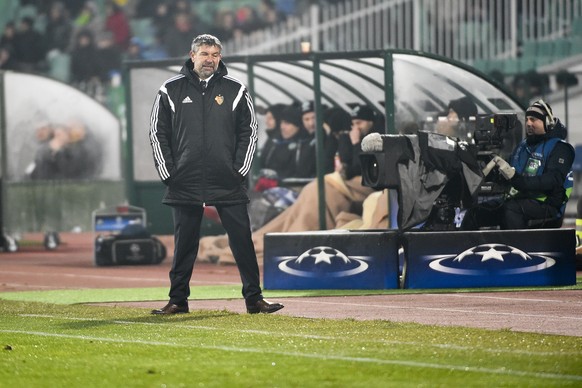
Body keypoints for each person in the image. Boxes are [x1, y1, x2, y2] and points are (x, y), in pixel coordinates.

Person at [148, 34, 283, 315]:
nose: (210, 59)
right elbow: (157, 133)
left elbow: (250, 131)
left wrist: (239, 169)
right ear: (192, 55)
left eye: (215, 54)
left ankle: (254, 300)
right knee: (184, 244)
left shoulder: (236, 89)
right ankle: (177, 301)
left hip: (227, 178)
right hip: (184, 179)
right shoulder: (169, 89)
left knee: (242, 240)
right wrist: (168, 173)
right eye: (205, 53)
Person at [197, 104, 387, 264]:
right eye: (353, 124)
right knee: (295, 204)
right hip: (318, 186)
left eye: (359, 123)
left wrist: (351, 143)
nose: (356, 128)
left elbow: (354, 168)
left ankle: (279, 243)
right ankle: (253, 242)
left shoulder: (373, 141)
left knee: (314, 192)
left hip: (339, 188)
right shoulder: (282, 142)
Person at [461, 99, 575, 230]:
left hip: (547, 205)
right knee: (474, 212)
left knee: (510, 210)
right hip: (517, 200)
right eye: (527, 120)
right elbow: (510, 174)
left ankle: (515, 248)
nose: (528, 123)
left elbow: (553, 180)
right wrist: (496, 173)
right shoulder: (522, 146)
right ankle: (466, 249)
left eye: (533, 120)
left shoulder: (561, 148)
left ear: (548, 122)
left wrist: (517, 180)